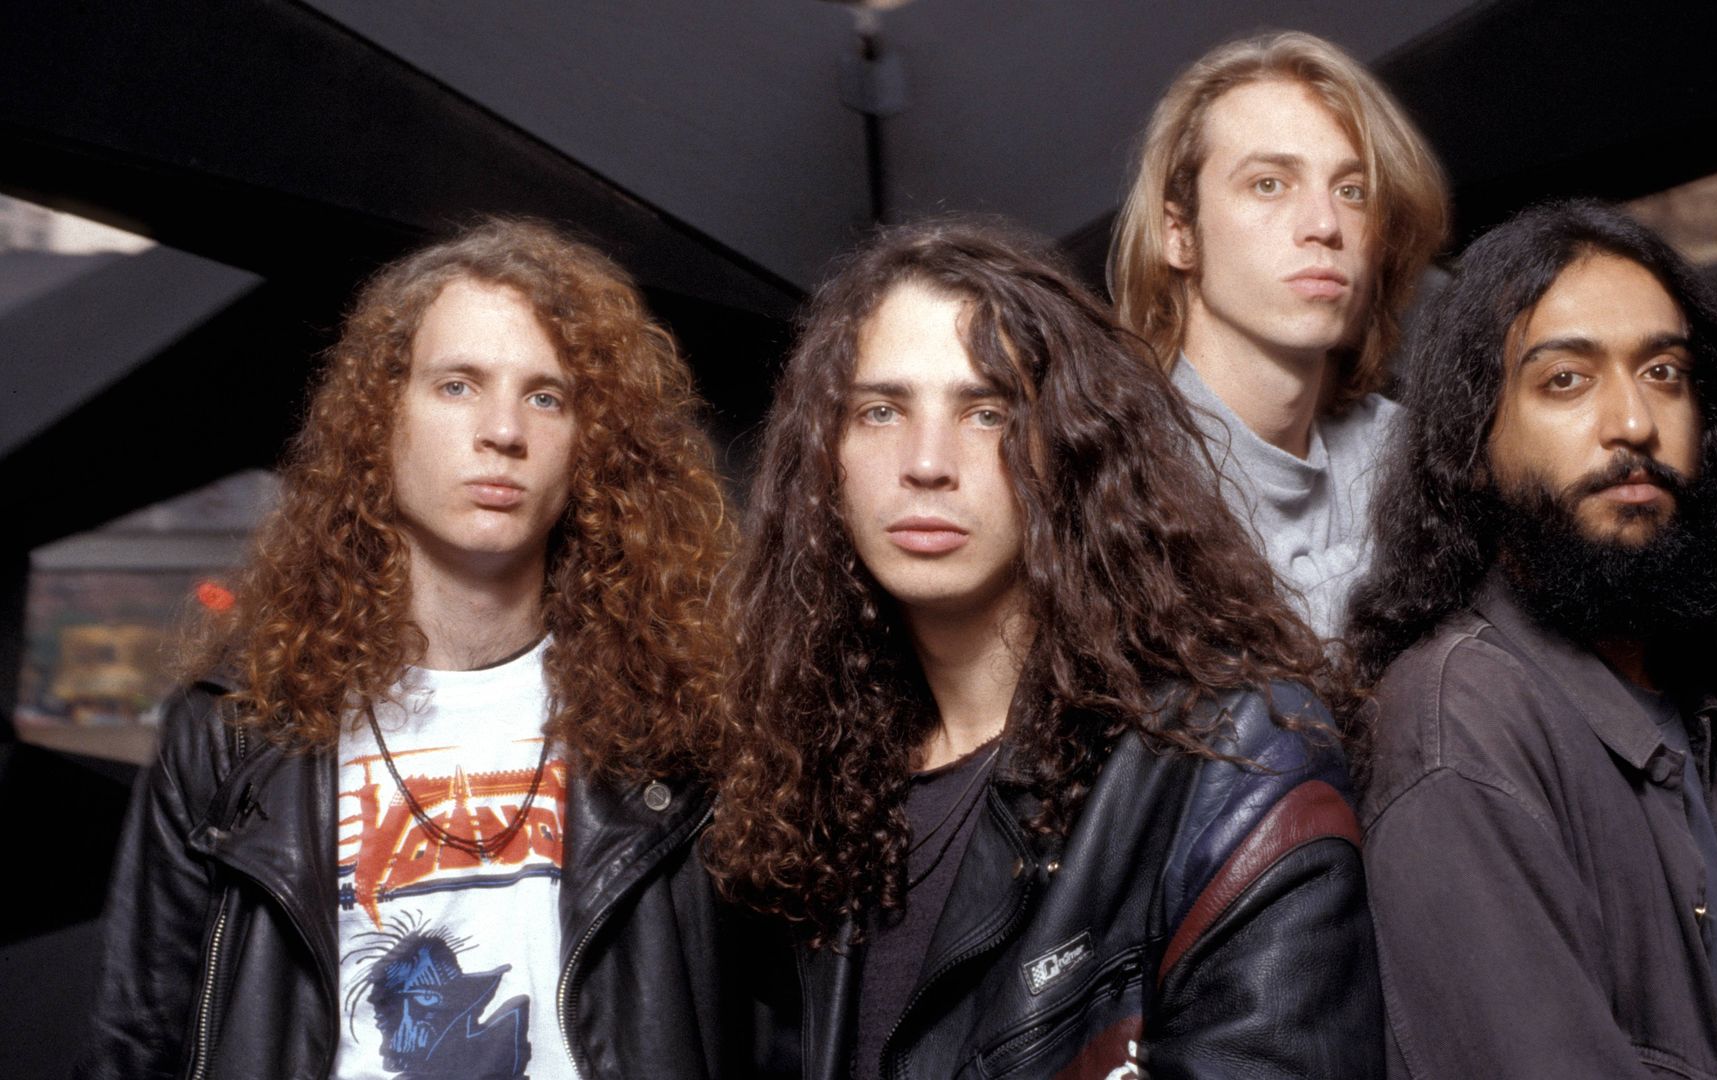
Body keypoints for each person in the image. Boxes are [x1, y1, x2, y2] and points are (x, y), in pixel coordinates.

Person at [704, 221, 1381, 1079]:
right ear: (824, 458)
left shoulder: (1231, 763)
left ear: (1071, 448)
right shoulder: (814, 778)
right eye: (880, 410)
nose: (925, 462)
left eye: (987, 411)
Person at [76, 219, 741, 1079]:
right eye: (458, 385)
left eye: (548, 396)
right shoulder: (236, 729)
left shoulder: (685, 719)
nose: (503, 430)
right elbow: (140, 1040)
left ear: (593, 447)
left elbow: (791, 1020)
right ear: (380, 421)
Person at [1345, 201, 1717, 1079]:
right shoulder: (1462, 727)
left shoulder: (1691, 691)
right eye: (1566, 379)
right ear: (1475, 440)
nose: (1634, 424)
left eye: (1665, 372)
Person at [1109, 30, 1450, 637]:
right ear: (1178, 234)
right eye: (1269, 183)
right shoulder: (1110, 477)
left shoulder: (1406, 456)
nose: (1324, 225)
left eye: (1352, 192)